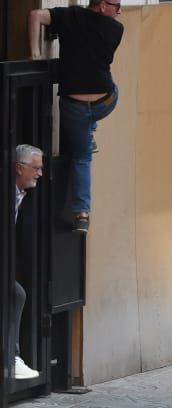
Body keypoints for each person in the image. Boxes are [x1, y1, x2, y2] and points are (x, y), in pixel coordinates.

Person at [29, 0, 123, 235]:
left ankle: (82, 215)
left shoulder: (68, 16)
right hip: (105, 101)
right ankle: (81, 213)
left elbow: (35, 15)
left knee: (82, 155)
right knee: (82, 154)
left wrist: (36, 55)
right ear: (102, 6)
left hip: (75, 107)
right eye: (116, 5)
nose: (119, 11)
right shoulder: (116, 30)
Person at [8, 145, 43, 382]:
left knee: (16, 294)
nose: (40, 173)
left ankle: (11, 357)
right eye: (36, 168)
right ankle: (11, 358)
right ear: (19, 168)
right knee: (16, 294)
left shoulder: (19, 193)